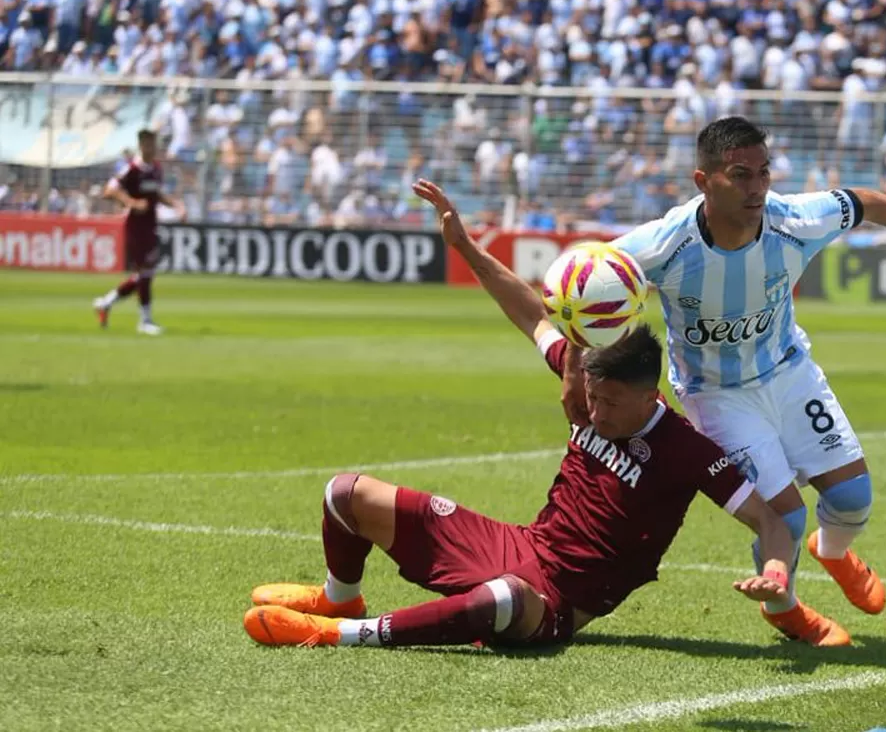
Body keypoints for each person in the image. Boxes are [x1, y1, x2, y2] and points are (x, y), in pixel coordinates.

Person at [241, 180, 803, 650]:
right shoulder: (587, 382)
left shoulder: (686, 448)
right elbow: (530, 314)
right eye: (593, 397)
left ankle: (337, 631)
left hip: (557, 602)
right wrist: (464, 246)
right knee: (345, 494)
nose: (594, 411)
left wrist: (776, 571)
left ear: (646, 394)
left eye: (609, 404)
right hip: (522, 546)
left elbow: (770, 521)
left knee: (504, 600)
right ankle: (341, 596)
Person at [566, 116, 886, 644]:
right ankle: (785, 608)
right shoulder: (661, 244)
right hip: (717, 396)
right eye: (740, 174)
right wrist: (572, 370)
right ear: (704, 182)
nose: (757, 187)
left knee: (855, 499)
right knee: (783, 519)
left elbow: (866, 201)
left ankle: (832, 552)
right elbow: (585, 292)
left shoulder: (795, 220)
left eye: (763, 172)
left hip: (791, 373)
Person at [93, 130, 185, 335]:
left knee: (143, 275)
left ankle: (105, 303)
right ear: (141, 145)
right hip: (134, 227)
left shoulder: (156, 169)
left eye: (153, 144)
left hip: (151, 226)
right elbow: (109, 190)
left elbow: (156, 194)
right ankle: (145, 321)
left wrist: (176, 205)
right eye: (147, 144)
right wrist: (131, 202)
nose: (151, 148)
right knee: (145, 273)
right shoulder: (131, 169)